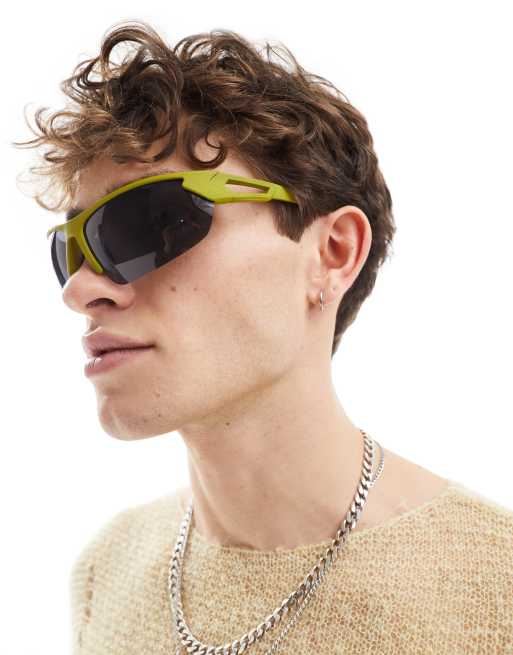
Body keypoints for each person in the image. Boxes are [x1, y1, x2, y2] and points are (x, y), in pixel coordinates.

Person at [14, 19, 513, 655]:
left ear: (333, 253)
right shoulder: (104, 574)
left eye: (147, 223)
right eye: (72, 249)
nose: (81, 289)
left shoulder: (495, 589)